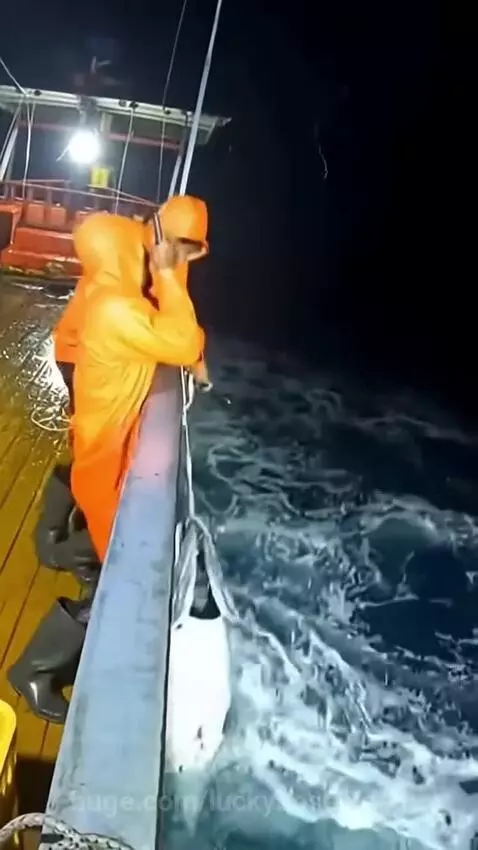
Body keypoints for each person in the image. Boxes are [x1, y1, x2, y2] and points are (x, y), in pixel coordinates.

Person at [71, 203, 206, 563]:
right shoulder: (116, 310)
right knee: (114, 548)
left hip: (104, 443)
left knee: (109, 525)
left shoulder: (112, 297)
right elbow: (184, 341)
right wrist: (165, 275)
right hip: (102, 457)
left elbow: (171, 328)